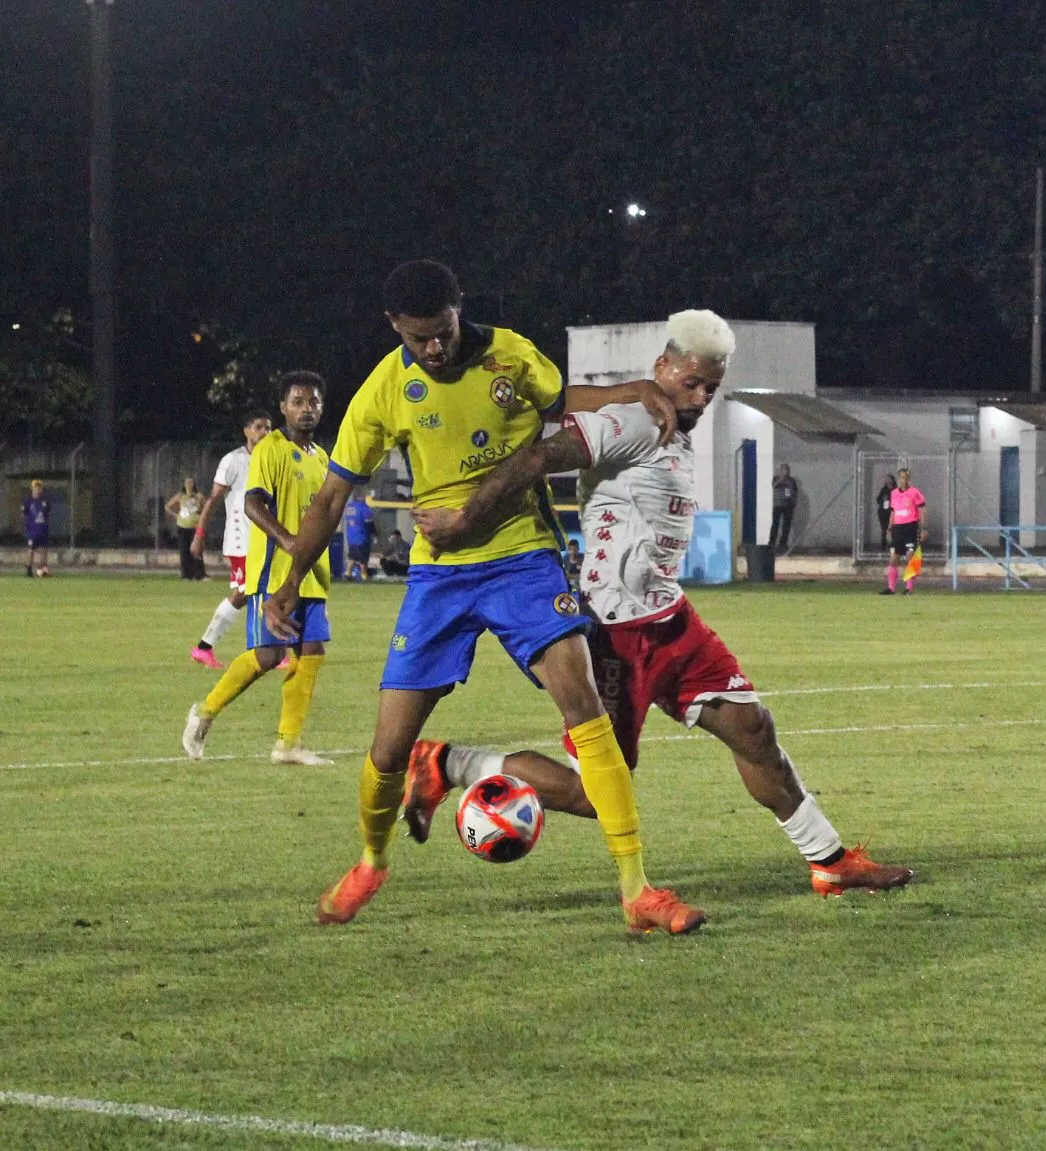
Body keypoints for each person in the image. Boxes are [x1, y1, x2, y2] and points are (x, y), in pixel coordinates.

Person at [410, 310, 912, 899]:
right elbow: (539, 458)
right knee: (596, 791)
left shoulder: (674, 431)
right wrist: (467, 517)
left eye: (710, 388)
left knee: (753, 730)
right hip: (613, 636)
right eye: (689, 382)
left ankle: (828, 859)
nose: (698, 397)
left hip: (671, 622)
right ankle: (447, 764)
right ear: (662, 368)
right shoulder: (631, 421)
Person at [263, 259, 698, 933]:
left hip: (523, 555)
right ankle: (372, 861)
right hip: (439, 575)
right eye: (419, 338)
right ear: (395, 328)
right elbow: (330, 496)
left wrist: (635, 388)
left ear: (459, 310)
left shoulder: (509, 354)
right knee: (386, 749)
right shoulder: (384, 390)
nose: (434, 347)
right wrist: (289, 583)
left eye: (442, 331)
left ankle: (637, 889)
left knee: (583, 703)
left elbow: (564, 402)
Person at [182, 374, 335, 767]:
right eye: (297, 402)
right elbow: (253, 504)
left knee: (312, 652)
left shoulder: (321, 457)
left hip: (312, 574)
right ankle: (204, 713)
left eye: (313, 402)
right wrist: (288, 541)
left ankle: (288, 744)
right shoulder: (271, 448)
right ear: (283, 408)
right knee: (268, 656)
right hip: (273, 572)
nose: (306, 409)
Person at [191, 411, 275, 668]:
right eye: (259, 427)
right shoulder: (234, 461)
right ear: (247, 431)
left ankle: (269, 649)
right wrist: (199, 534)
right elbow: (213, 500)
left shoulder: (270, 459)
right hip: (241, 540)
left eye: (269, 428)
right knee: (244, 592)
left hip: (262, 540)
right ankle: (205, 647)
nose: (265, 433)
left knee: (261, 591)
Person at [882, 468, 925, 595]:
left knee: (911, 558)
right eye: (901, 477)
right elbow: (893, 511)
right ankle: (891, 588)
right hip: (897, 529)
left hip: (911, 527)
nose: (904, 480)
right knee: (893, 559)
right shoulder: (894, 493)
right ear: (899, 479)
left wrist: (924, 528)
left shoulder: (915, 492)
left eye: (906, 477)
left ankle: (909, 588)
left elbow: (923, 510)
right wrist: (889, 529)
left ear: (909, 479)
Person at [166, 478, 207, 580]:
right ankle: (186, 575)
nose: (189, 484)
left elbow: (206, 508)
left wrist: (201, 515)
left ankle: (199, 574)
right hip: (183, 526)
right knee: (184, 550)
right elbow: (167, 506)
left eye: (191, 482)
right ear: (184, 485)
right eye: (187, 483)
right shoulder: (180, 496)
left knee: (197, 551)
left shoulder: (199, 496)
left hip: (195, 526)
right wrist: (176, 515)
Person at [342, 491, 376, 580]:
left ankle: (347, 573)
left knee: (352, 556)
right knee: (363, 558)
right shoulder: (364, 508)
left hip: (351, 537)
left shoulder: (349, 506)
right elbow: (369, 522)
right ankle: (364, 575)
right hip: (362, 537)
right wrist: (375, 533)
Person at [22, 479, 50, 578]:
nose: (37, 489)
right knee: (31, 550)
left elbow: (47, 513)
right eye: (35, 487)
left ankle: (42, 569)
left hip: (42, 530)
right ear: (32, 488)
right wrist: (28, 526)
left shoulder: (45, 501)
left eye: (39, 487)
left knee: (43, 550)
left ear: (41, 489)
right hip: (32, 531)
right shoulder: (28, 501)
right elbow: (25, 514)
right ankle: (29, 569)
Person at [769, 463, 797, 549]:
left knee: (786, 525)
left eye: (787, 470)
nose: (786, 472)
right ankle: (772, 542)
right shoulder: (776, 478)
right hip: (778, 505)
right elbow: (774, 485)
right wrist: (781, 478)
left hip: (788, 505)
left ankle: (783, 543)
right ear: (781, 470)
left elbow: (795, 491)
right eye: (784, 470)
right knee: (775, 524)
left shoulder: (792, 480)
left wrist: (794, 502)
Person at [874, 473, 894, 549]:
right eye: (886, 479)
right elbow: (878, 499)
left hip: (891, 512)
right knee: (884, 528)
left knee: (892, 528)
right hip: (883, 512)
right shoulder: (884, 489)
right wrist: (883, 500)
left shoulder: (895, 489)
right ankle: (884, 545)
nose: (887, 480)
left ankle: (892, 545)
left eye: (889, 479)